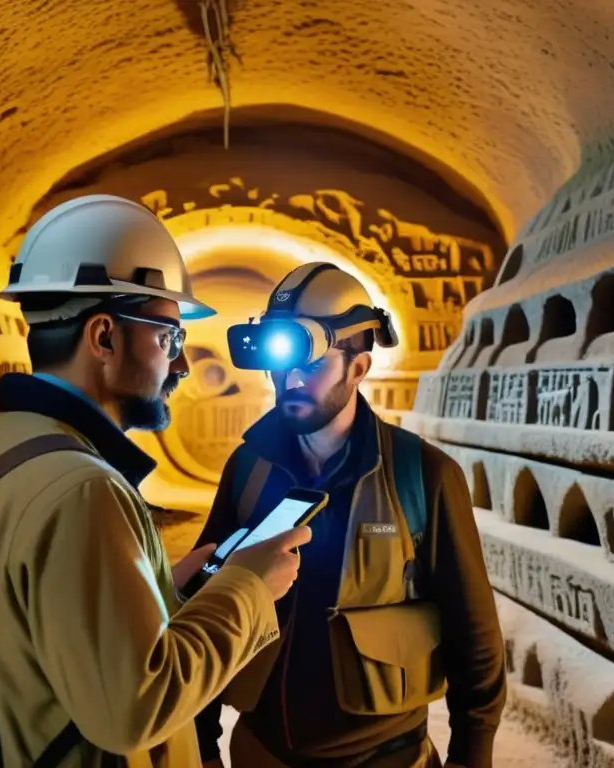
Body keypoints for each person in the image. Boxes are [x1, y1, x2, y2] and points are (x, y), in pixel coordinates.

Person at [0, 195, 312, 766]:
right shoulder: (82, 489)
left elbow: (48, 631)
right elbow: (134, 710)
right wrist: (248, 588)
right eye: (169, 339)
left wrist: (158, 594)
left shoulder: (4, 450)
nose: (180, 366)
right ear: (103, 337)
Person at [192, 262, 507, 768]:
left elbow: (476, 641)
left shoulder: (424, 475)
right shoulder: (249, 467)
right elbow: (203, 608)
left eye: (311, 364)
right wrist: (201, 748)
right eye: (281, 362)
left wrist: (472, 756)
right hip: (261, 751)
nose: (290, 379)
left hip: (384, 758)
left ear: (358, 368)